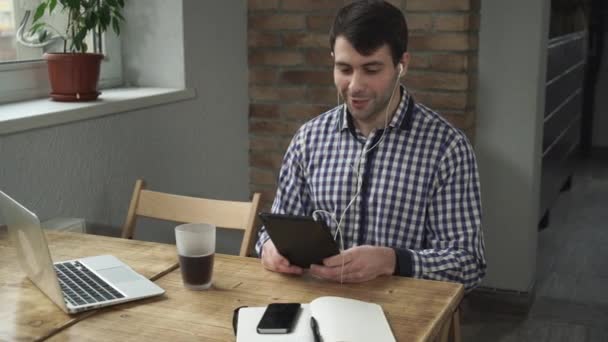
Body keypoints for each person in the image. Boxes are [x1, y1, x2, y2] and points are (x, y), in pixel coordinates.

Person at [255, 0, 486, 291]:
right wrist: (269, 250)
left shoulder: (447, 149)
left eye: (371, 69)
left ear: (402, 65)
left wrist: (391, 261)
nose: (355, 86)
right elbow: (271, 233)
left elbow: (469, 264)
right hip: (318, 309)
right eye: (344, 69)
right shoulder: (308, 139)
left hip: (402, 318)